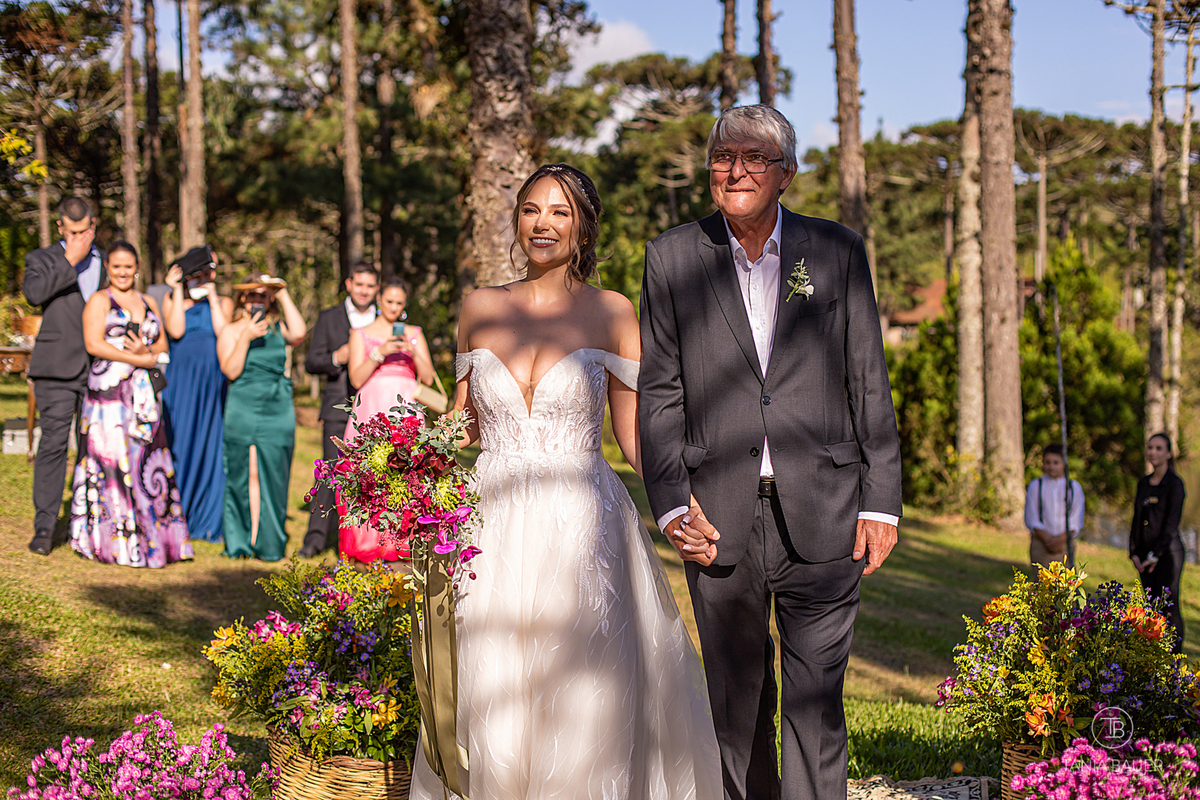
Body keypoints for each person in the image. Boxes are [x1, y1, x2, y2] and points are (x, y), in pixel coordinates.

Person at [409, 163, 721, 800]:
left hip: (581, 521)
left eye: (560, 211)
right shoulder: (478, 306)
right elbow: (461, 424)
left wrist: (680, 500)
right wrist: (399, 459)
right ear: (516, 221)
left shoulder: (612, 312)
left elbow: (635, 436)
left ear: (583, 226)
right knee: (487, 679)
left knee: (585, 685)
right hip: (485, 522)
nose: (543, 223)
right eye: (531, 210)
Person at [638, 105, 903, 800]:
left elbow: (867, 378)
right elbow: (660, 391)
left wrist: (881, 501)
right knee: (735, 705)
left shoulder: (837, 250)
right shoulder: (670, 257)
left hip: (826, 506)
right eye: (724, 156)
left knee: (815, 706)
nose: (736, 169)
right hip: (716, 513)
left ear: (786, 172)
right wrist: (668, 503)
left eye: (755, 157)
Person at [69, 241, 193, 567]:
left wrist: (148, 354)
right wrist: (137, 357)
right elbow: (93, 344)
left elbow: (163, 340)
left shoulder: (148, 300)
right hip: (108, 397)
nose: (123, 272)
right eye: (116, 266)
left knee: (145, 461)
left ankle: (152, 537)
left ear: (136, 267)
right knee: (111, 463)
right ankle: (111, 539)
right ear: (107, 268)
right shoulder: (99, 300)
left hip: (143, 398)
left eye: (128, 266)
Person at [22, 197, 108, 555]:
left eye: (85, 232)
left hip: (98, 371)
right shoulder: (41, 259)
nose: (79, 238)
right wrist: (70, 260)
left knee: (95, 449)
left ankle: (89, 525)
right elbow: (34, 294)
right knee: (54, 446)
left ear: (94, 226)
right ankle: (44, 528)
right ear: (60, 228)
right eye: (72, 232)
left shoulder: (106, 262)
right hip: (56, 369)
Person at [339, 275, 435, 563]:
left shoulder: (415, 333)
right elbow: (356, 377)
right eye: (389, 301)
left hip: (406, 406)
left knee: (405, 473)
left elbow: (429, 378)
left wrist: (412, 349)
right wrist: (380, 352)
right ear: (380, 300)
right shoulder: (361, 332)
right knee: (370, 470)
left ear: (405, 306)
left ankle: (401, 539)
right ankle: (367, 539)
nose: (393, 307)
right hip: (373, 405)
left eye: (399, 303)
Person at [217, 275, 307, 561]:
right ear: (243, 299)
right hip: (243, 404)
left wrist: (282, 293)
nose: (257, 300)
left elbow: (300, 332)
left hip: (277, 405)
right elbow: (230, 371)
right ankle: (239, 541)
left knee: (275, 473)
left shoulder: (279, 327)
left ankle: (269, 544)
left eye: (262, 295)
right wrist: (245, 337)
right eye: (251, 295)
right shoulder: (231, 330)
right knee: (240, 474)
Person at [299, 261, 379, 558]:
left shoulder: (384, 319)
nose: (364, 291)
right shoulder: (329, 318)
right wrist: (338, 356)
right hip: (337, 405)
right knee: (330, 473)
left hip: (375, 406)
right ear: (348, 284)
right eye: (359, 284)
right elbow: (311, 361)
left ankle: (369, 540)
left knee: (374, 474)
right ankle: (316, 538)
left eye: (370, 286)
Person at [161, 250, 233, 542]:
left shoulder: (224, 303)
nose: (205, 278)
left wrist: (213, 297)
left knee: (209, 443)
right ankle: (177, 514)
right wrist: (176, 289)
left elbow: (223, 330)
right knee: (178, 439)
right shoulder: (171, 300)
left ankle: (206, 518)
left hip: (211, 382)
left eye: (210, 272)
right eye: (199, 273)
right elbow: (175, 330)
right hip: (180, 381)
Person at [1130, 432, 1187, 653]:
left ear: (1169, 453)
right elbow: (1136, 520)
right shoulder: (1144, 483)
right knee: (1151, 607)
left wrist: (1155, 555)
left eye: (1158, 448)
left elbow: (1171, 525)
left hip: (1168, 555)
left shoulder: (1175, 484)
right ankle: (1153, 655)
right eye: (1150, 447)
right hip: (1144, 557)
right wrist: (1134, 552)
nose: (1153, 452)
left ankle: (1174, 659)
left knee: (1169, 607)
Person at [1024, 444, 1085, 568]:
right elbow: (1031, 517)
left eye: (1056, 462)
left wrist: (1060, 539)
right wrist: (1047, 539)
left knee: (1064, 583)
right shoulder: (1036, 485)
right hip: (1041, 544)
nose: (1051, 466)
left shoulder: (1073, 487)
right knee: (1041, 583)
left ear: (1064, 463)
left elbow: (1076, 518)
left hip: (1064, 544)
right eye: (1047, 462)